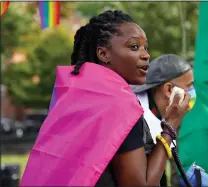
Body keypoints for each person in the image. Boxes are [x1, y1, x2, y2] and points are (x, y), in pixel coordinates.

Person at [20, 10, 190, 187]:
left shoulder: (74, 98)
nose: (146, 55)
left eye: (145, 48)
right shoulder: (121, 105)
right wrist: (171, 123)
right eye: (134, 47)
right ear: (103, 54)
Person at [131, 54, 195, 187]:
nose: (192, 93)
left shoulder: (163, 114)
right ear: (169, 89)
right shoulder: (135, 122)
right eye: (189, 87)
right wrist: (171, 125)